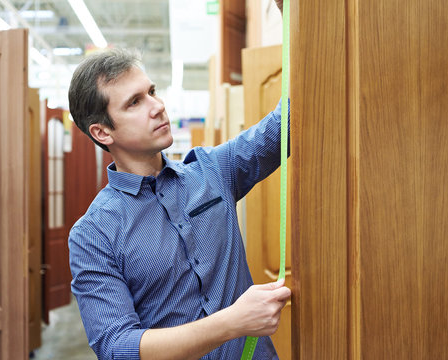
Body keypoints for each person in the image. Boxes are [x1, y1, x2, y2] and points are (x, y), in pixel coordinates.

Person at [68, 3, 288, 359]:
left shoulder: (213, 170)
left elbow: (286, 125)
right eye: (135, 102)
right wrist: (233, 322)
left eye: (152, 91)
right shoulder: (93, 235)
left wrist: (293, 14)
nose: (157, 106)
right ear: (102, 131)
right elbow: (118, 348)